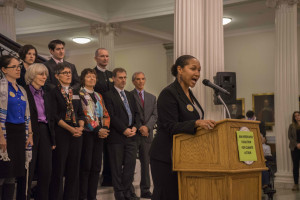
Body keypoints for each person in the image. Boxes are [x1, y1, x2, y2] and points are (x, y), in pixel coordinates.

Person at [149, 55, 216, 200]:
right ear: (180, 69)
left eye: (199, 70)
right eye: (193, 68)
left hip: (185, 156)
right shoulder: (169, 93)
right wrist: (196, 123)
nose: (197, 73)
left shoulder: (189, 94)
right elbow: (169, 126)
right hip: (166, 156)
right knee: (166, 196)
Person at [103, 68, 141, 200]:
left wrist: (135, 128)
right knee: (117, 168)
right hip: (116, 136)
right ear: (113, 78)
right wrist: (124, 129)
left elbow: (136, 113)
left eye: (125, 77)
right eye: (120, 77)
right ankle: (119, 194)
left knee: (130, 166)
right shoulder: (108, 95)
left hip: (132, 136)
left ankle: (127, 192)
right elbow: (111, 116)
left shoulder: (130, 95)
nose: (123, 80)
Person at [49, 63, 85, 200]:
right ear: (57, 76)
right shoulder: (53, 92)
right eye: (65, 73)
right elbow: (55, 115)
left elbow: (80, 113)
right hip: (62, 133)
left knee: (74, 169)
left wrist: (80, 128)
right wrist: (71, 129)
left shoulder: (75, 92)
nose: (69, 75)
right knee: (59, 169)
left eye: (69, 72)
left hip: (77, 134)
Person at [0, 55, 33, 199]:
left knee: (13, 174)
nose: (18, 69)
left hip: (20, 133)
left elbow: (28, 114)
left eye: (19, 66)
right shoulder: (1, 88)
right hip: (6, 132)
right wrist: (1, 136)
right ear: (4, 70)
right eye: (14, 67)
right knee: (3, 172)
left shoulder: (21, 89)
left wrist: (30, 134)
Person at [24, 63, 55, 200]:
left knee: (46, 170)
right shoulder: (24, 92)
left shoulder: (47, 94)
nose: (44, 77)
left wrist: (52, 139)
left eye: (45, 74)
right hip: (30, 131)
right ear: (32, 76)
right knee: (28, 170)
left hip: (45, 132)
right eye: (41, 74)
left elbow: (51, 118)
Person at [78, 68, 110, 200]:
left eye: (94, 77)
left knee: (96, 166)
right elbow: (84, 115)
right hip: (87, 134)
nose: (92, 79)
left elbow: (105, 114)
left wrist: (105, 128)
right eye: (89, 77)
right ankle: (83, 196)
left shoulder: (98, 95)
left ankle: (92, 196)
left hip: (100, 134)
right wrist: (97, 129)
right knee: (86, 166)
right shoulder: (79, 94)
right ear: (83, 79)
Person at [130, 72, 157, 199]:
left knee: (146, 163)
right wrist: (141, 127)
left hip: (147, 135)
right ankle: (130, 190)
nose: (140, 81)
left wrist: (147, 127)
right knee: (130, 163)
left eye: (142, 79)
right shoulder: (129, 96)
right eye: (137, 79)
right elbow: (132, 113)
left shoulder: (152, 97)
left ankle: (145, 190)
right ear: (133, 81)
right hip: (134, 134)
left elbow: (155, 115)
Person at [93, 48, 114, 186]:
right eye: (102, 56)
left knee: (110, 149)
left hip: (112, 115)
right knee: (98, 149)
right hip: (97, 115)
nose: (105, 59)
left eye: (107, 56)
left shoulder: (112, 74)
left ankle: (108, 177)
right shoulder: (92, 73)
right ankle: (97, 177)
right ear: (96, 58)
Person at [288, 111, 300, 191]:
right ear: (294, 118)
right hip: (295, 148)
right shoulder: (291, 126)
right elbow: (290, 137)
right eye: (295, 116)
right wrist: (297, 144)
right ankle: (296, 184)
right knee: (295, 166)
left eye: (298, 115)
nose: (297, 117)